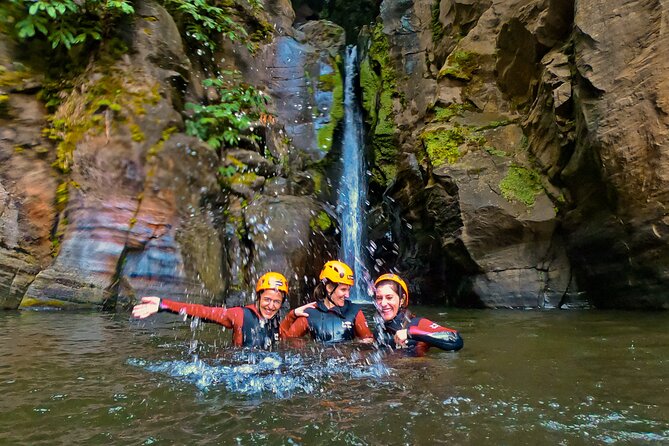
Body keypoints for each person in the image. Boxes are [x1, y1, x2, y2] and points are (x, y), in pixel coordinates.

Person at [132, 272, 289, 349]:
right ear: (259, 297)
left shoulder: (276, 320)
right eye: (267, 300)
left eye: (276, 302)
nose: (271, 306)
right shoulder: (239, 314)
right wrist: (163, 305)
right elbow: (203, 312)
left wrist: (294, 315)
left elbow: (288, 336)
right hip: (238, 370)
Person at [280, 260, 373, 343]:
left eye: (349, 290)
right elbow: (285, 341)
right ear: (329, 288)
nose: (348, 295)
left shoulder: (354, 311)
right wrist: (292, 314)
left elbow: (369, 343)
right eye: (343, 289)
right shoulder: (310, 314)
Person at [373, 273, 463, 355]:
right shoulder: (379, 329)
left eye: (389, 297)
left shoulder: (417, 323)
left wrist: (410, 333)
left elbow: (455, 339)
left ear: (402, 300)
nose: (383, 303)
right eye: (379, 298)